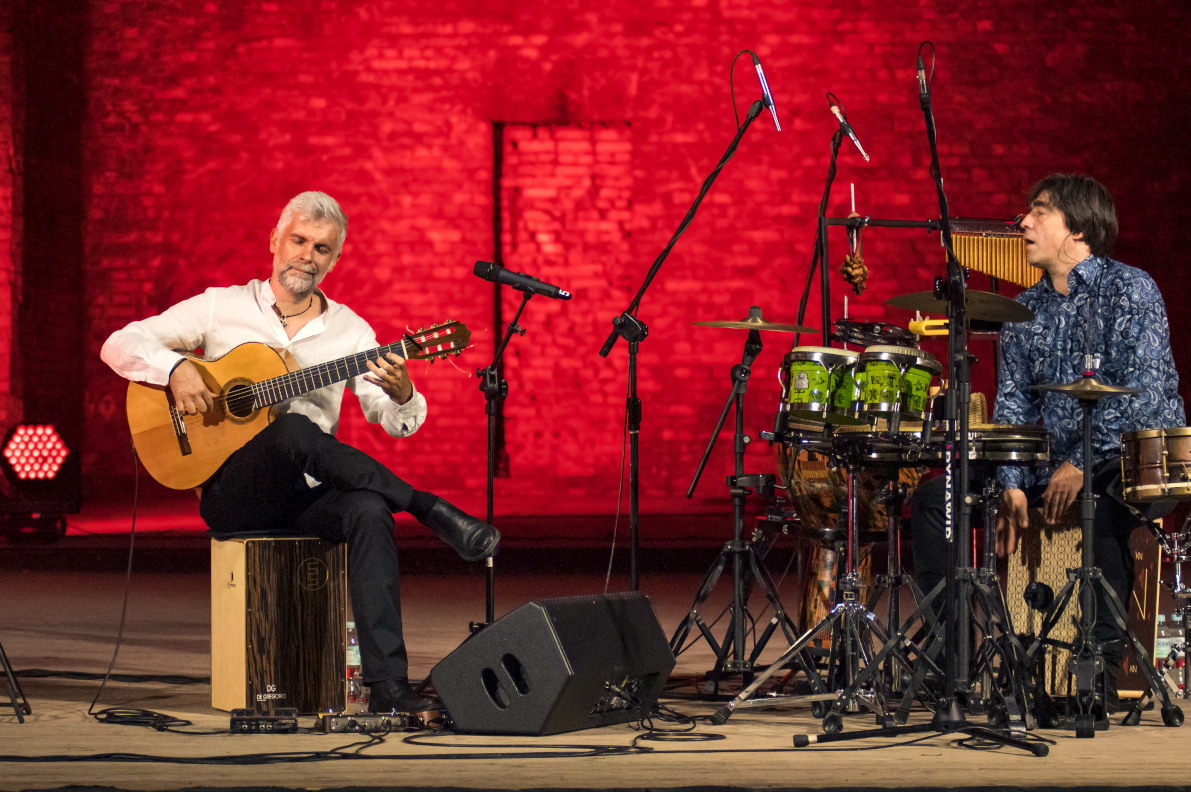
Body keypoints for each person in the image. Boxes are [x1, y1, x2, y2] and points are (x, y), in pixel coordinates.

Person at [101, 191, 499, 714]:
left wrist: (402, 393)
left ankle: (388, 686)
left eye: (321, 248)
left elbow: (391, 416)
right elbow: (119, 343)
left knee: (369, 509)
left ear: (335, 260)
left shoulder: (351, 332)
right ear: (275, 241)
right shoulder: (223, 306)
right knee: (292, 430)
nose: (307, 255)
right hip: (233, 494)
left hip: (306, 497)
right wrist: (176, 369)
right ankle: (428, 507)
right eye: (299, 240)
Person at [910, 173, 1185, 709]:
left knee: (1099, 504)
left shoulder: (1130, 289)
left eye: (1039, 212)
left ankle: (1096, 677)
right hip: (1043, 464)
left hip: (1124, 462)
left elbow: (1148, 394)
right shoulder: (1022, 311)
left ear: (1077, 227)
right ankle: (954, 656)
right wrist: (1011, 482)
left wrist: (1081, 460)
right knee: (932, 499)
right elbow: (1015, 407)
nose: (1023, 223)